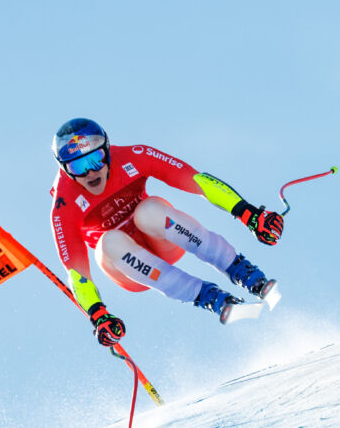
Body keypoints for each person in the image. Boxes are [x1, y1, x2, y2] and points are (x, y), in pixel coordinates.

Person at [49, 118, 285, 347]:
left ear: (107, 150)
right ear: (64, 169)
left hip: (161, 239)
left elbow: (196, 181)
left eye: (96, 159)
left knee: (149, 211)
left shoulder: (133, 156)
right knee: (109, 242)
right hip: (127, 265)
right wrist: (98, 314)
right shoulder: (64, 204)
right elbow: (76, 272)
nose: (90, 172)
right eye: (78, 166)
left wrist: (248, 214)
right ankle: (210, 298)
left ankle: (240, 269)